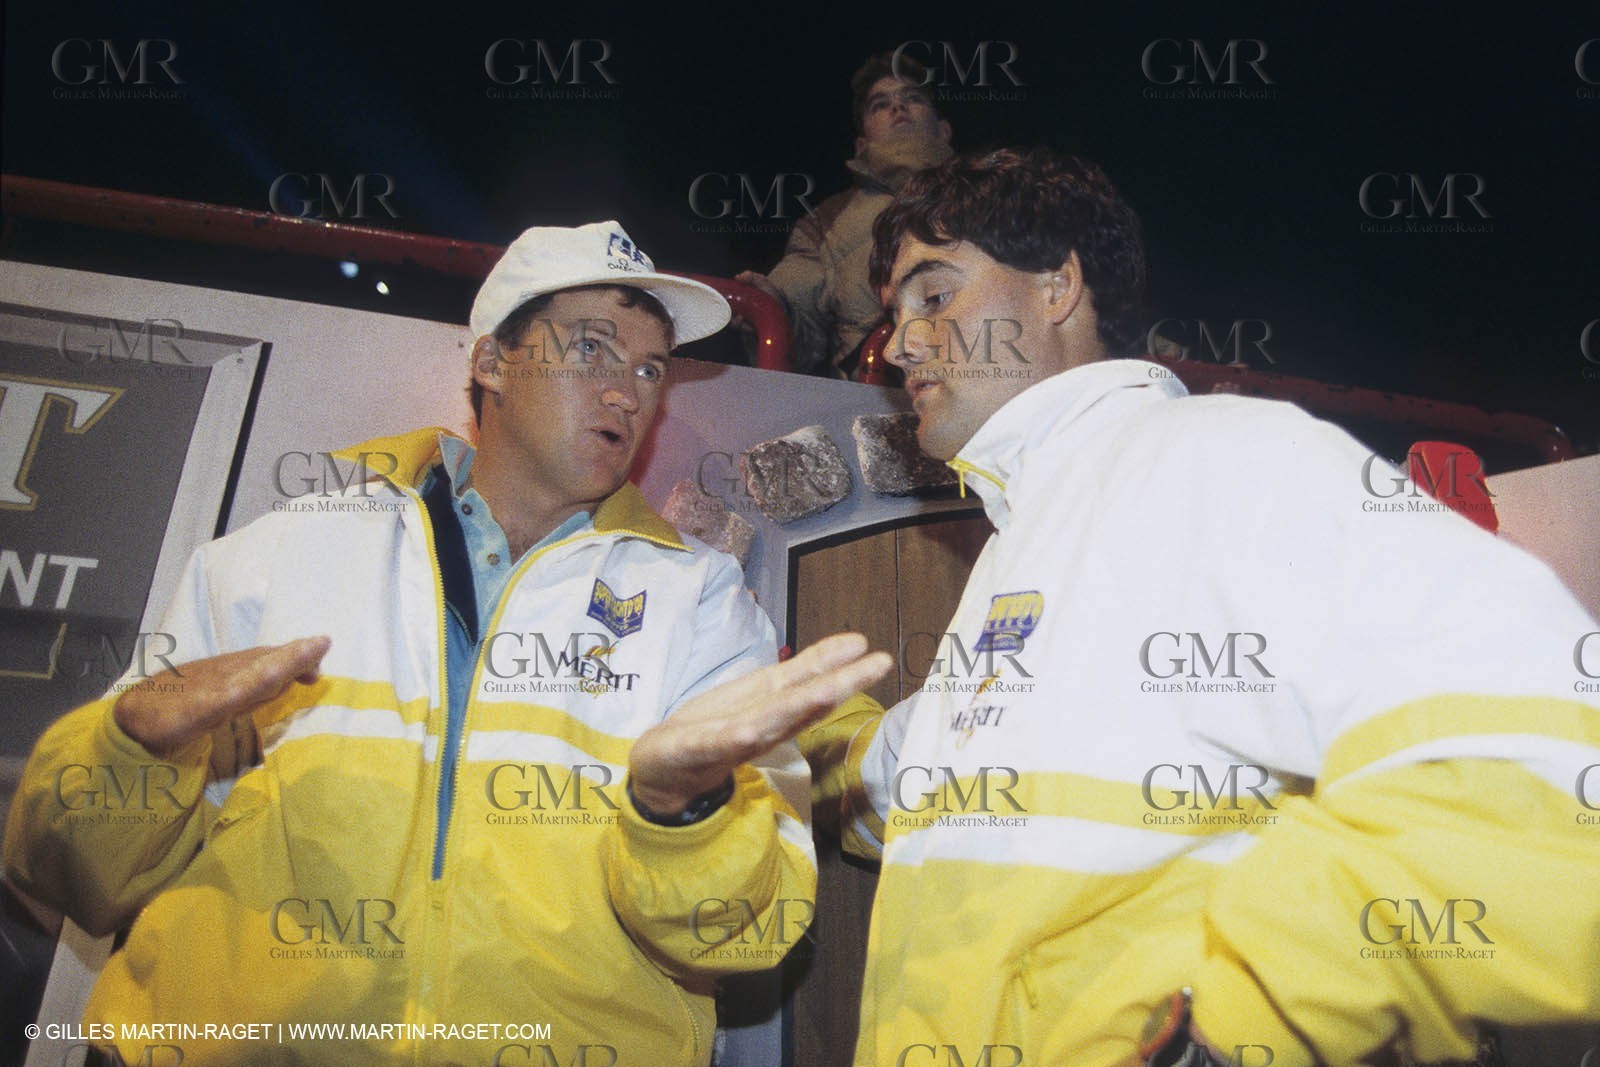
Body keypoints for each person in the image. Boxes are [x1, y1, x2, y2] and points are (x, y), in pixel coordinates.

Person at [3, 221, 890, 1066]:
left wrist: (682, 814)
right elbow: (71, 881)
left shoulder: (699, 598)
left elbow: (746, 930)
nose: (628, 389)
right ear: (491, 361)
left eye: (653, 367)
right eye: (590, 349)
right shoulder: (290, 545)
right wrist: (128, 747)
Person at [804, 149, 1600, 1067]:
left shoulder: (1213, 460)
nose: (899, 342)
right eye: (896, 313)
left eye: (933, 295)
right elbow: (908, 795)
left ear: (1060, 284)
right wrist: (746, 752)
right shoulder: (1026, 543)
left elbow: (1544, 756)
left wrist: (1232, 1036)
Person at [737, 51, 953, 377]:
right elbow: (799, 335)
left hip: (978, 376)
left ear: (943, 131)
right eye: (880, 105)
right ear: (861, 145)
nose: (898, 109)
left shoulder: (990, 194)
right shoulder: (825, 222)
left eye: (913, 98)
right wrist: (773, 305)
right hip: (874, 388)